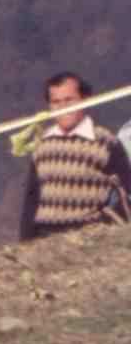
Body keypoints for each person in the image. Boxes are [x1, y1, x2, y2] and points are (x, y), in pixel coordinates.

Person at [17, 73, 131, 241]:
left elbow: (127, 194)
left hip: (90, 240)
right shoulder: (42, 146)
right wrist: (25, 244)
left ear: (85, 100)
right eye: (56, 102)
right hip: (45, 240)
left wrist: (105, 226)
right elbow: (31, 201)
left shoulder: (107, 142)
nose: (63, 107)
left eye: (69, 100)